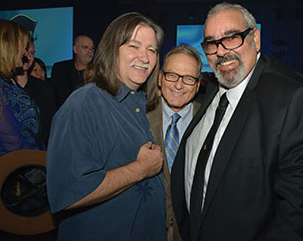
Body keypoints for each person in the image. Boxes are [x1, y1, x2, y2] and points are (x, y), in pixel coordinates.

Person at [170, 3, 303, 241]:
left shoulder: (297, 100)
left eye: (232, 38)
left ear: (256, 38)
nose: (221, 51)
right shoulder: (214, 87)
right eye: (211, 43)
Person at [47, 12, 166, 241]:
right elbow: (69, 193)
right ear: (112, 49)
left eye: (152, 50)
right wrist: (141, 168)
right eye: (134, 46)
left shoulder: (138, 103)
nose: (145, 57)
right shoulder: (83, 105)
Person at [147, 44, 202, 241]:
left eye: (188, 78)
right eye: (172, 75)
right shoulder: (138, 117)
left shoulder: (211, 121)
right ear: (160, 78)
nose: (179, 85)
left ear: (197, 84)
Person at [0, 19, 42, 164]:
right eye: (23, 46)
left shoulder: (5, 80)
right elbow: (11, 141)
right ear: (7, 45)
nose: (25, 53)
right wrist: (44, 166)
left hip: (23, 169)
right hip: (7, 176)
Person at [14, 39, 56, 146]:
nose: (28, 57)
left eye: (32, 53)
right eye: (24, 52)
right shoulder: (4, 85)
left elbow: (50, 124)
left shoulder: (44, 87)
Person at [50, 35, 94, 108]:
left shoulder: (98, 71)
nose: (90, 51)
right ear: (75, 49)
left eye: (92, 48)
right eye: (85, 47)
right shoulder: (60, 69)